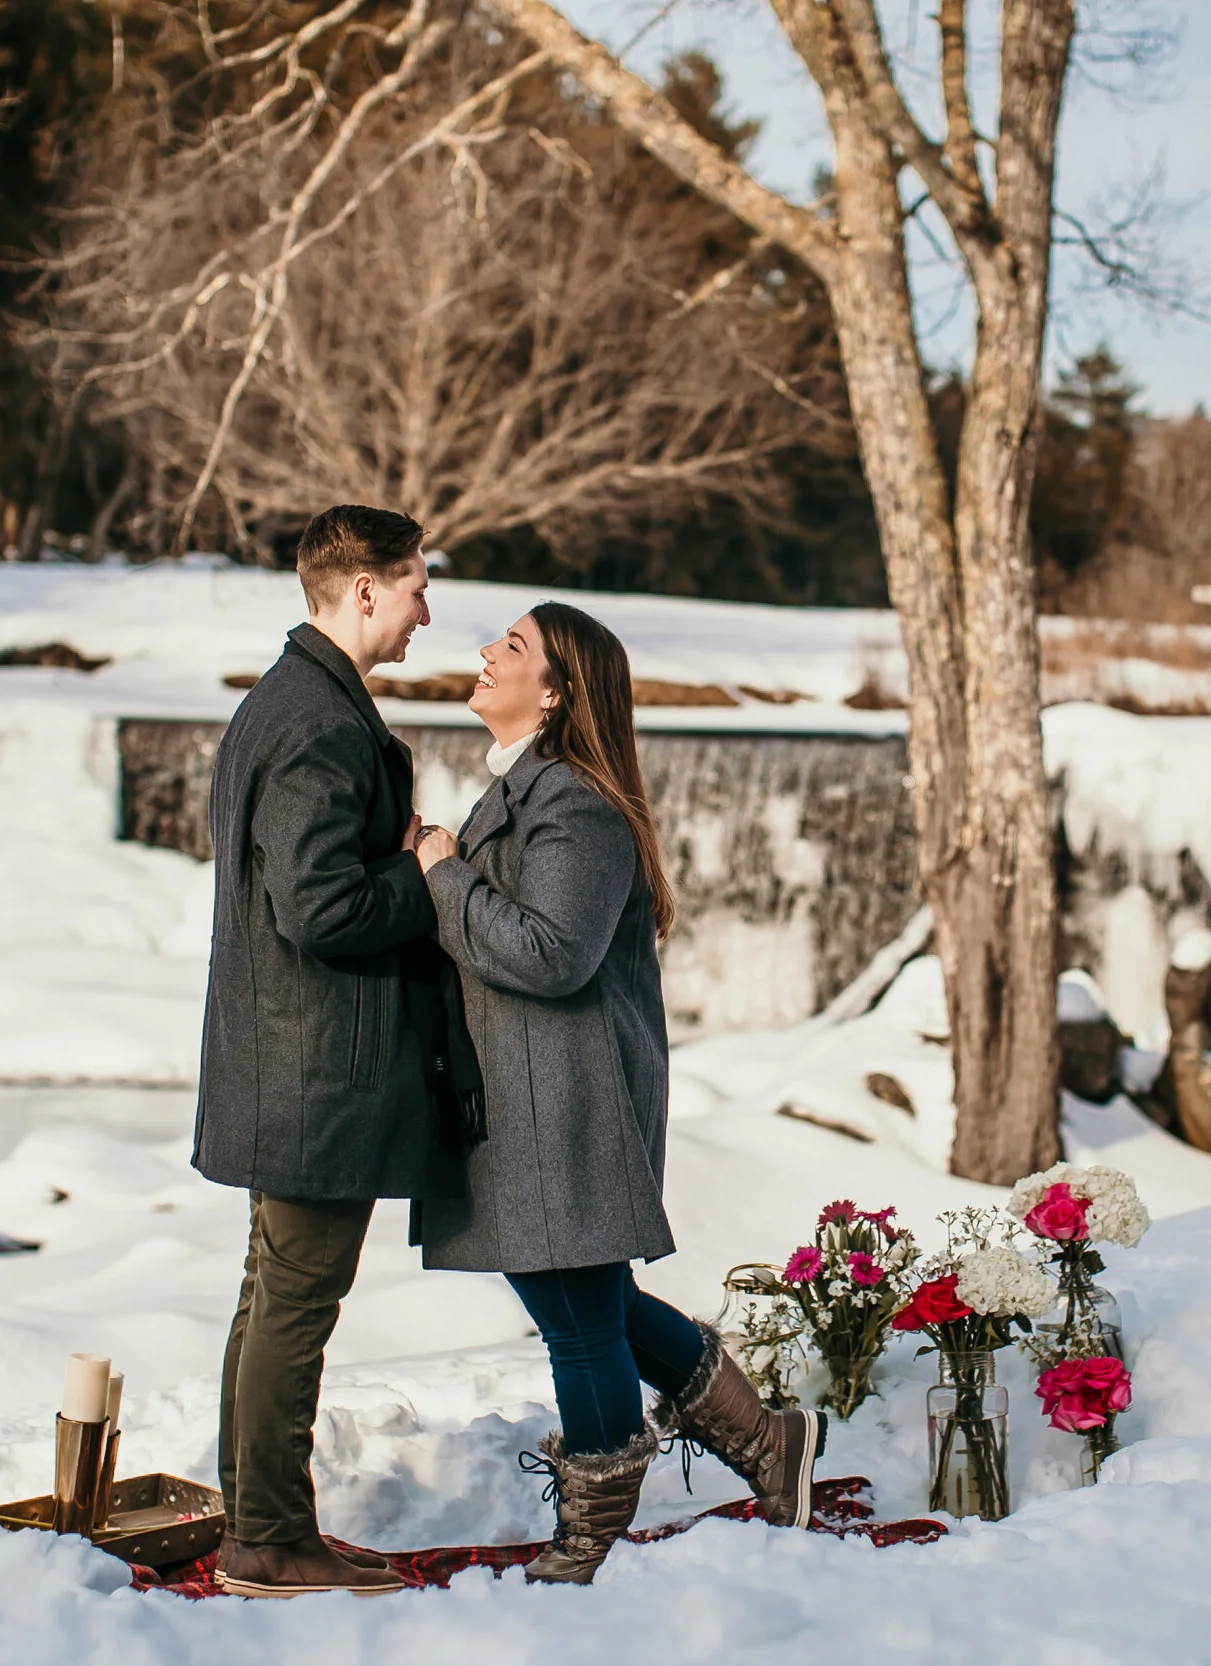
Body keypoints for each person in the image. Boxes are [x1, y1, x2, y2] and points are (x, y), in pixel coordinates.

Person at [410, 601, 820, 1585]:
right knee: (586, 1299)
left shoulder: (575, 805)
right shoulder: (528, 789)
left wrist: (443, 873)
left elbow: (551, 955)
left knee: (581, 1316)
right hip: (525, 1092)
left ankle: (592, 1528)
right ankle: (766, 1442)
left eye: (508, 647)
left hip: (569, 1095)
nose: (482, 654)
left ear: (554, 692)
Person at [193, 504, 473, 1599]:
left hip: (290, 1062)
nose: (425, 610)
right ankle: (266, 1538)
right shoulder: (314, 718)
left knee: (273, 1296)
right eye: (414, 586)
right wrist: (422, 869)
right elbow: (320, 909)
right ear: (363, 590)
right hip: (318, 1073)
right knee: (294, 1303)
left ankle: (260, 1520)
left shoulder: (296, 695)